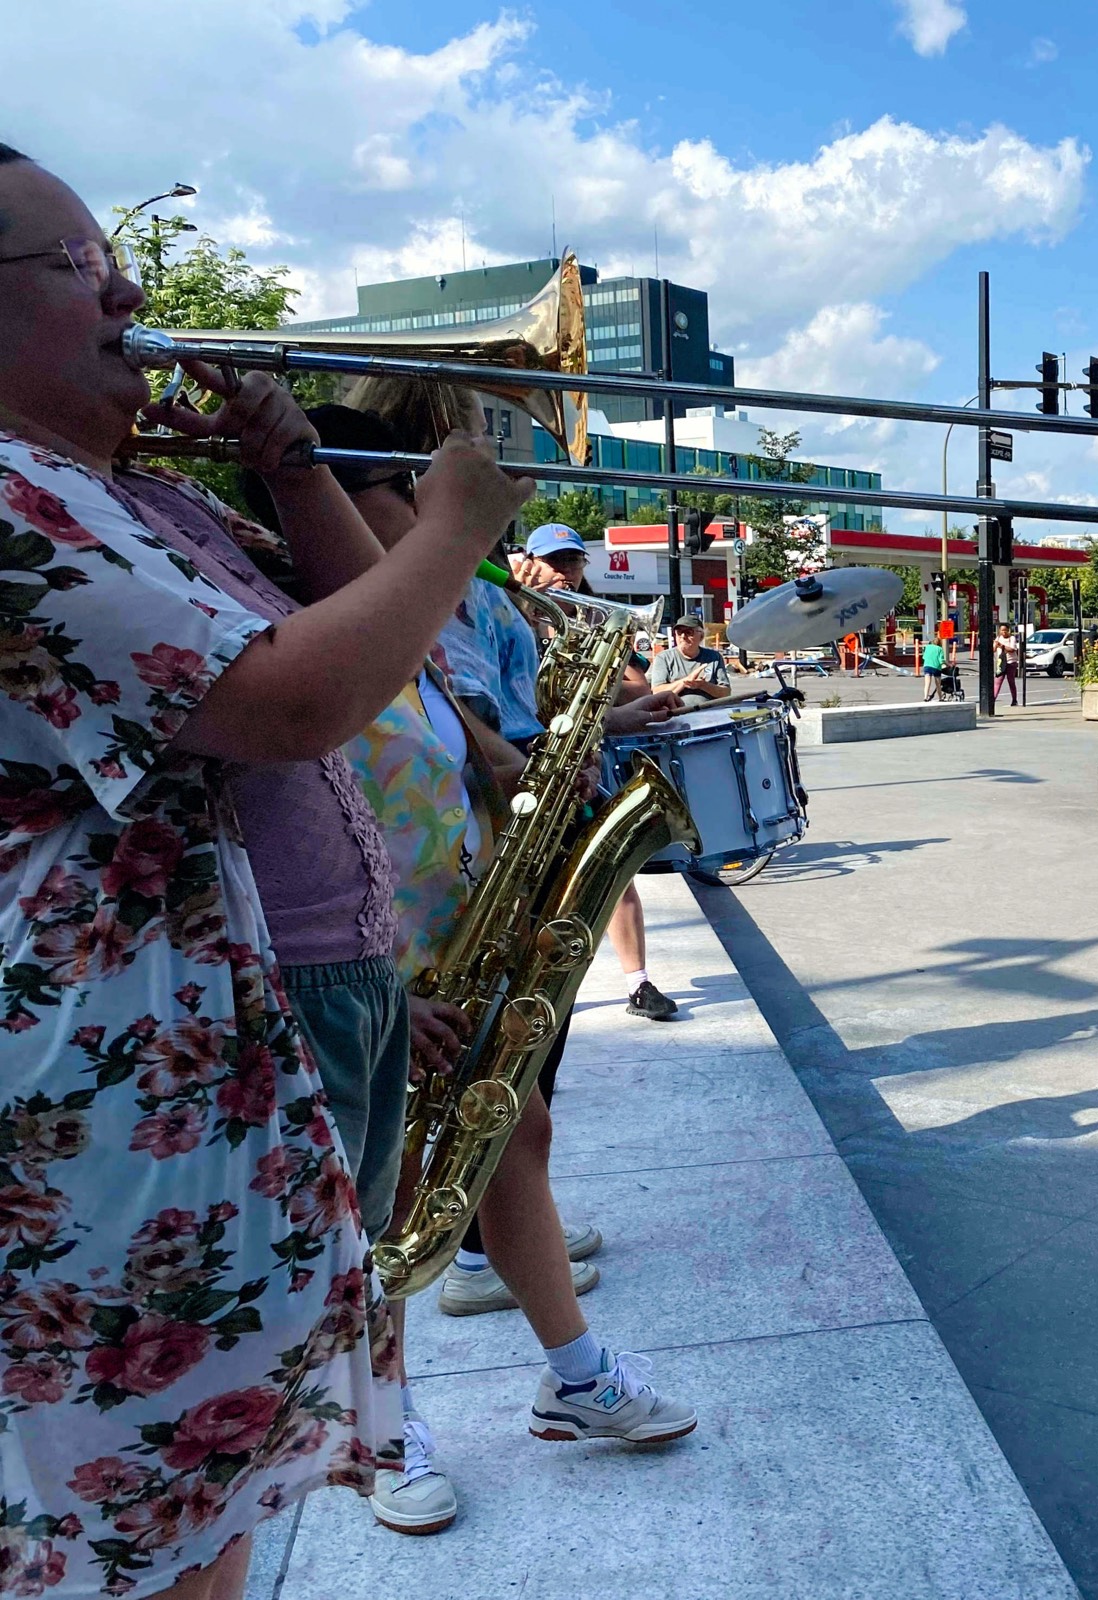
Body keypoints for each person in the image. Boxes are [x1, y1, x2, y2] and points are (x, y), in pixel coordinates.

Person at [0, 148, 523, 1596]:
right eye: (83, 269)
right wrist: (457, 523)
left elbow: (365, 619)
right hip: (99, 1082)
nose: (129, 297)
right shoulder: (17, 499)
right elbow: (294, 699)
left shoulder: (111, 490)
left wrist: (289, 457)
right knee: (141, 1505)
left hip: (196, 1048)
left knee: (208, 1485)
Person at [297, 405, 695, 1533]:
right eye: (403, 491)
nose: (432, 509)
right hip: (373, 971)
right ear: (330, 497)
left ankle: (577, 1379)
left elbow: (464, 764)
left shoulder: (408, 628)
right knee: (383, 1204)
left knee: (515, 1138)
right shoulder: (300, 630)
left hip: (459, 940)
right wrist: (380, 986)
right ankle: (388, 1427)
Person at [508, 524, 682, 1022]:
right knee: (527, 891)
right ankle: (524, 993)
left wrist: (614, 703)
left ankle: (638, 983)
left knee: (612, 871)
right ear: (529, 563)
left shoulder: (594, 621)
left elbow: (634, 684)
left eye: (573, 562)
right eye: (553, 561)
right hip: (526, 765)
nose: (563, 572)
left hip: (575, 763)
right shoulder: (512, 616)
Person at [647, 613, 728, 704]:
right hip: (676, 710)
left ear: (701, 636)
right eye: (679, 632)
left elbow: (726, 692)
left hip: (708, 710)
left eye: (689, 632)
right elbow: (657, 692)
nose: (683, 636)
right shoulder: (663, 658)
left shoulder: (714, 657)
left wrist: (703, 685)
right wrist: (686, 681)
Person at [995, 623, 1020, 706]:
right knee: (998, 681)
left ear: (1008, 630)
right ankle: (993, 699)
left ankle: (1014, 700)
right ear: (999, 631)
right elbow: (994, 649)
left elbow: (1012, 649)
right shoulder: (998, 638)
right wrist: (995, 645)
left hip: (1011, 662)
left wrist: (1002, 646)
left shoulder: (1012, 638)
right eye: (1002, 630)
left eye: (1005, 630)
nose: (1004, 632)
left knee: (1011, 681)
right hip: (1001, 662)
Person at [921, 633, 946, 700]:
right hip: (936, 667)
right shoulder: (940, 649)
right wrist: (946, 664)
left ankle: (925, 697)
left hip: (927, 666)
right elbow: (941, 660)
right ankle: (940, 698)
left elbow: (924, 657)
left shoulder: (927, 647)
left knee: (927, 683)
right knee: (938, 684)